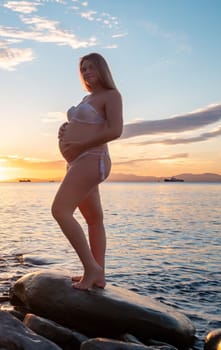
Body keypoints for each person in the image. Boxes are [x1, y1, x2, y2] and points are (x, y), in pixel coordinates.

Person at [52, 53, 123, 290]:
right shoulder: (87, 98)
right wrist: (66, 129)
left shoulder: (112, 96)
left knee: (60, 211)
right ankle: (98, 275)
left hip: (93, 159)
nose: (87, 72)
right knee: (94, 219)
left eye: (91, 67)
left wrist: (80, 144)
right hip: (78, 161)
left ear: (102, 69)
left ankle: (91, 268)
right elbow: (84, 125)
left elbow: (115, 130)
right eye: (83, 69)